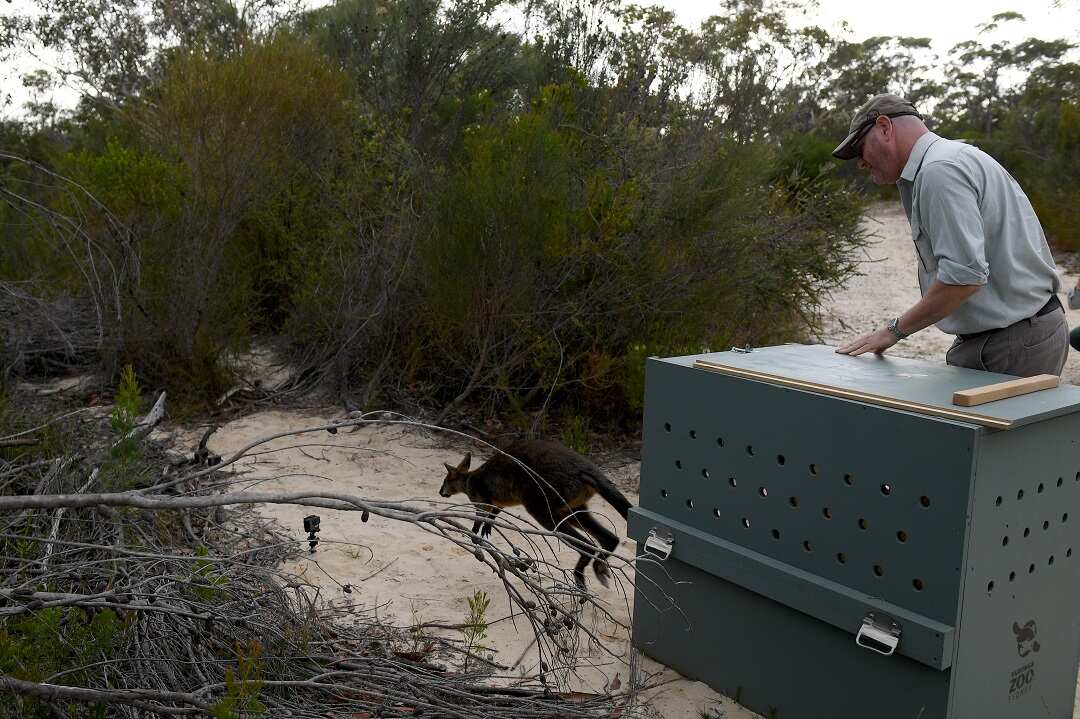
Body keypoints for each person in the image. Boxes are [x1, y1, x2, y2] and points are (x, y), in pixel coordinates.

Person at [831, 93, 1068, 377]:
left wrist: (893, 331)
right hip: (1016, 334)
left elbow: (963, 279)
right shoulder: (947, 160)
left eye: (860, 149)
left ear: (884, 127)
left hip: (1013, 341)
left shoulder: (939, 171)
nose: (860, 162)